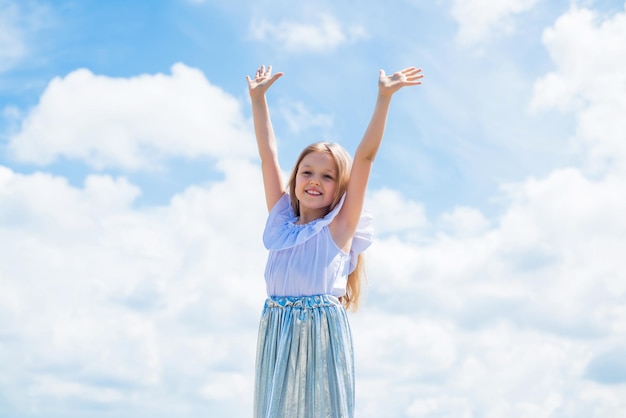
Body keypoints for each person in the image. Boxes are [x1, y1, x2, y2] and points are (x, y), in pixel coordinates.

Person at [247, 64, 423, 418]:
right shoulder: (280, 221)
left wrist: (384, 98)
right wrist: (258, 100)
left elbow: (366, 157)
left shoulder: (338, 228)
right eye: (307, 172)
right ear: (295, 179)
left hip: (320, 336)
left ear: (338, 188)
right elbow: (268, 156)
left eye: (327, 176)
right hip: (277, 334)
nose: (315, 180)